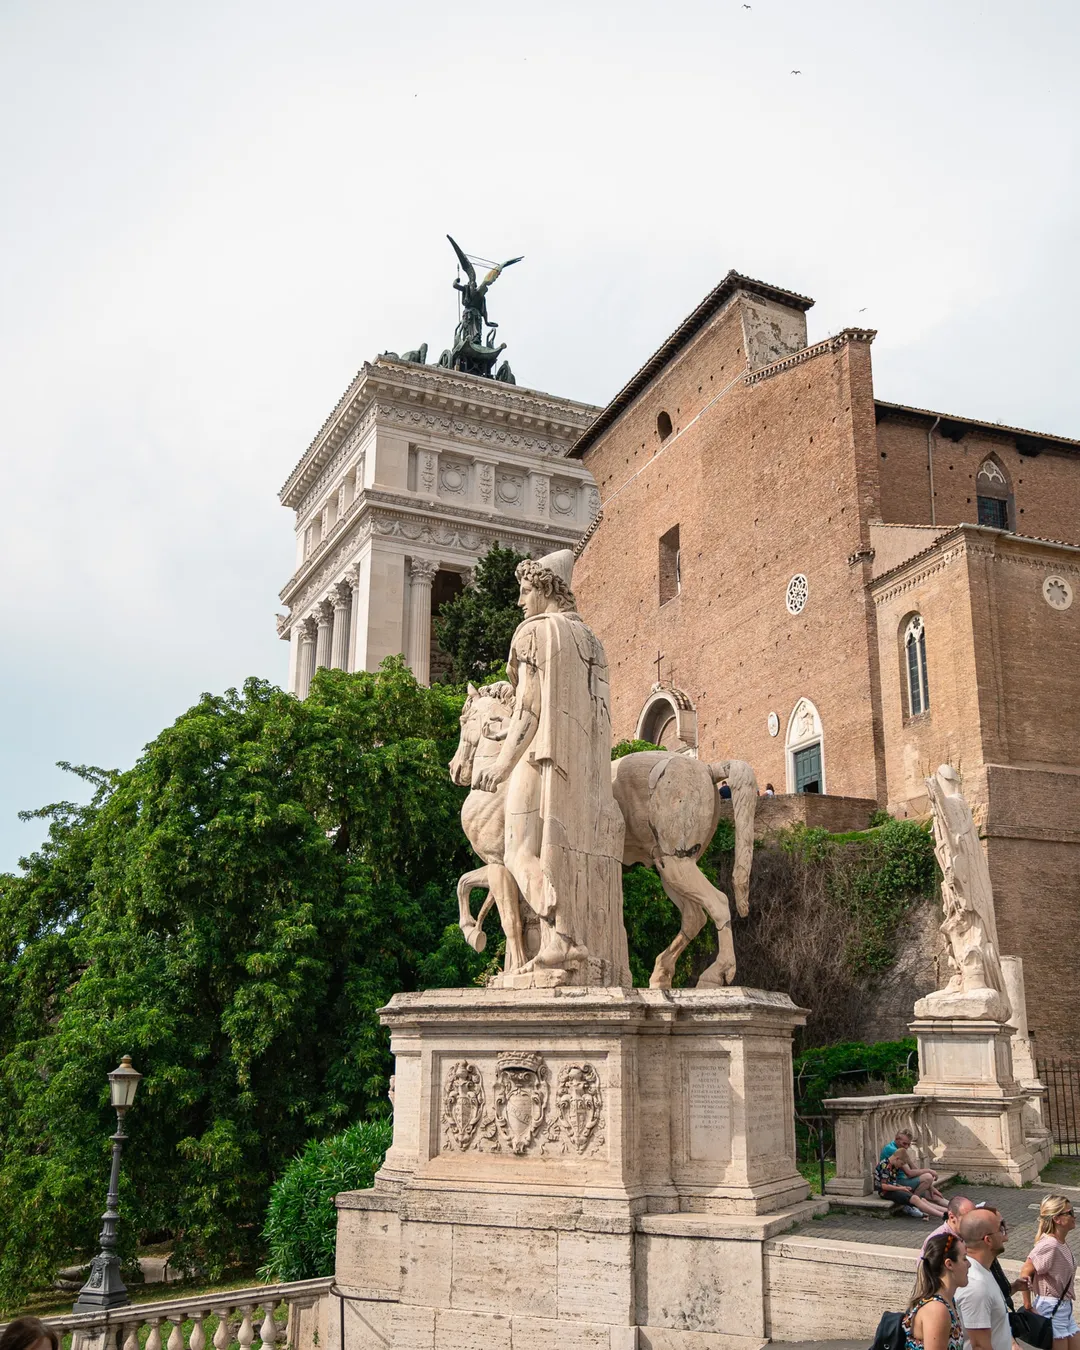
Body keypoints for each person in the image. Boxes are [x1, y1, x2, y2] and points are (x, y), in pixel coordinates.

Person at [1020, 1195, 1079, 1350]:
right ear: (1056, 1219)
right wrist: (1027, 1305)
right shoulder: (1050, 1245)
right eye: (1070, 1213)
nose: (1074, 1216)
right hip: (1052, 1307)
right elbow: (1025, 1271)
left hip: (1063, 1307)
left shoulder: (1060, 1242)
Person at [955, 1208, 1014, 1350]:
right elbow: (980, 1346)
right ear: (988, 1240)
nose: (1005, 1234)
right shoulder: (976, 1285)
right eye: (1000, 1228)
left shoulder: (983, 1271)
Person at [903, 1231, 970, 1350]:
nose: (969, 1264)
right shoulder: (937, 1310)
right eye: (964, 1258)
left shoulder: (948, 1301)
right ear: (949, 1264)